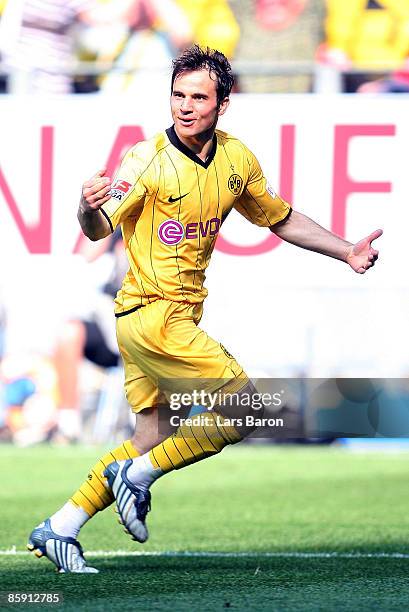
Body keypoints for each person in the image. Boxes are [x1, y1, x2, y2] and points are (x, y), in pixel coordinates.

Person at [28, 45, 381, 573]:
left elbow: (279, 219)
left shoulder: (236, 160)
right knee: (243, 409)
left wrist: (346, 250)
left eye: (198, 97)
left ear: (223, 104)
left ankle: (61, 526)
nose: (186, 107)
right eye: (177, 95)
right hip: (152, 316)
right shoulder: (144, 160)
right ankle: (138, 478)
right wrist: (86, 205)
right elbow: (99, 229)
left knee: (151, 439)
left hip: (166, 321)